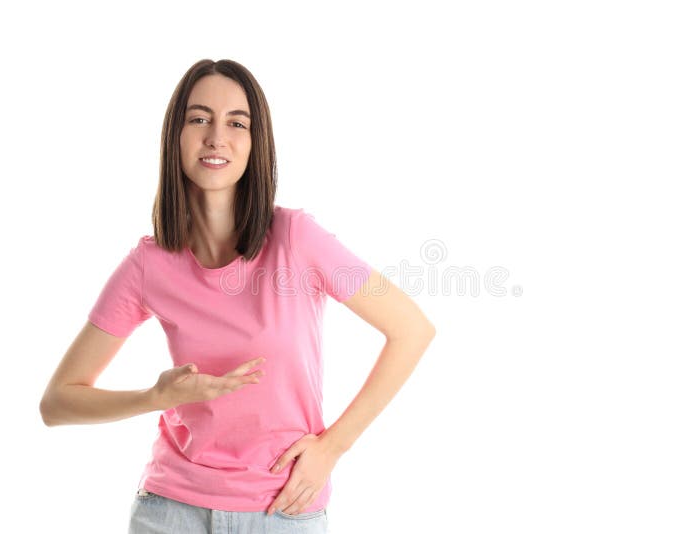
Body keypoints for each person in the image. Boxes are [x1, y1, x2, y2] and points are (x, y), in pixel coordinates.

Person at [39, 58, 436, 534]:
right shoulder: (149, 264)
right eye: (199, 118)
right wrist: (155, 396)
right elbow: (57, 402)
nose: (216, 137)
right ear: (176, 137)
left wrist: (332, 447)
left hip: (282, 510)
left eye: (236, 122)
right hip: (170, 511)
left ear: (255, 142)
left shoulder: (297, 238)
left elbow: (412, 329)